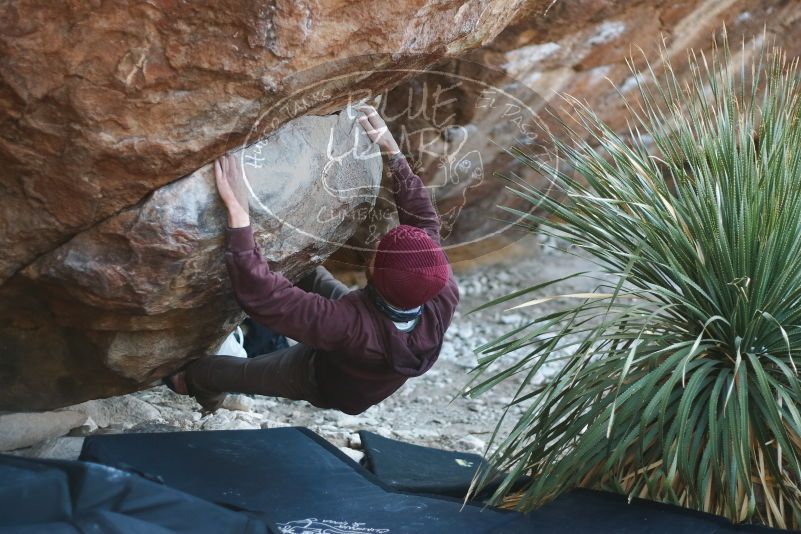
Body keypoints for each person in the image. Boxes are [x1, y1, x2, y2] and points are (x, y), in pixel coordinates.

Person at [166, 105, 459, 414]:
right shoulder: (440, 287)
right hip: (373, 334)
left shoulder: (347, 325)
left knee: (223, 372)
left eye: (378, 250)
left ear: (372, 272)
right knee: (309, 271)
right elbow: (425, 224)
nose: (376, 243)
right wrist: (393, 152)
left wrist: (239, 212)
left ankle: (203, 395)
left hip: (324, 380)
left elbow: (263, 296)